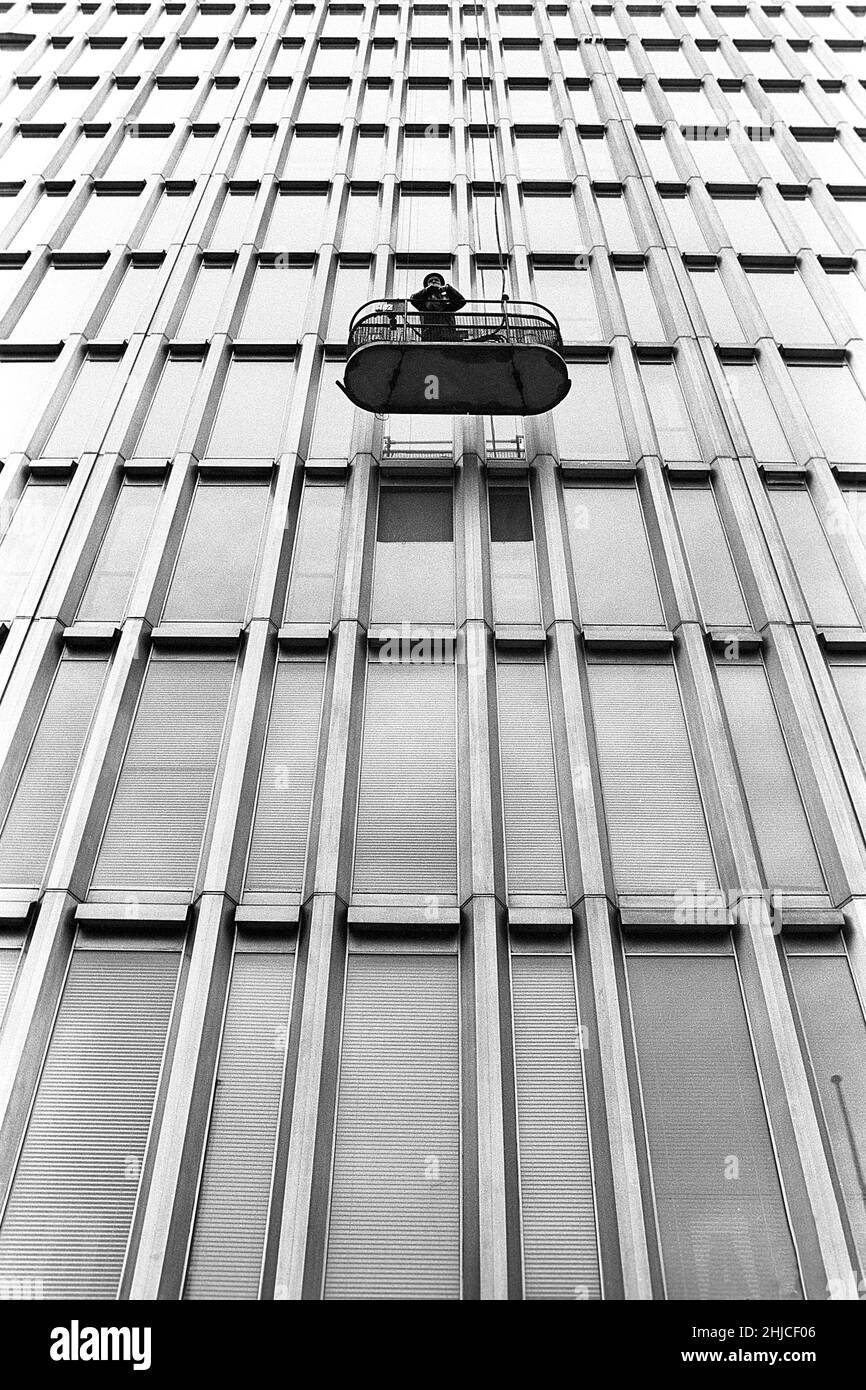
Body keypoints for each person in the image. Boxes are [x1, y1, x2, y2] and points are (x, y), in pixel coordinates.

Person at [409, 272, 467, 342]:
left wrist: (448, 288)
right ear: (427, 286)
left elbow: (461, 301)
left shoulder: (447, 301)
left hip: (448, 337)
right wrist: (428, 290)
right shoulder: (423, 302)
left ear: (441, 284)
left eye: (436, 280)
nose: (433, 281)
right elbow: (413, 299)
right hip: (430, 337)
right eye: (430, 281)